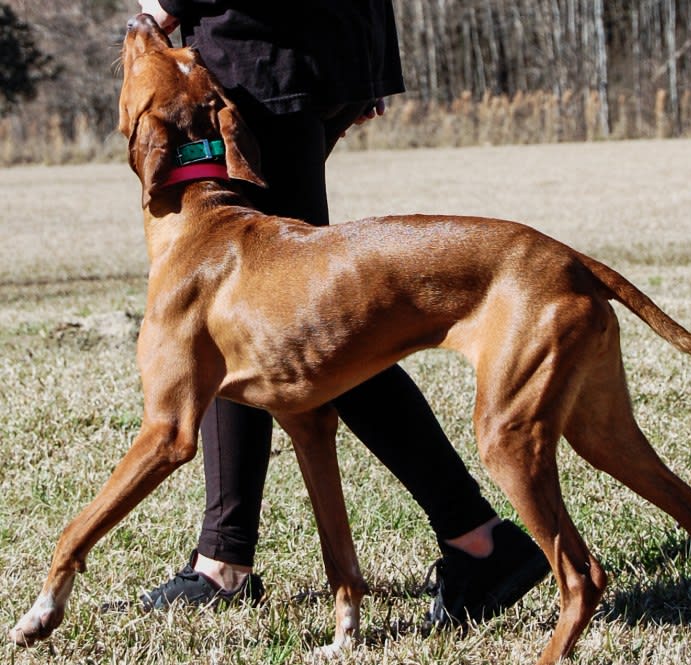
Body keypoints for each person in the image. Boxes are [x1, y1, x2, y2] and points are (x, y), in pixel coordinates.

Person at [134, 0, 549, 627]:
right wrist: (366, 56)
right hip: (316, 51)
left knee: (305, 323)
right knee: (248, 316)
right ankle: (225, 557)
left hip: (256, 57)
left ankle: (476, 536)